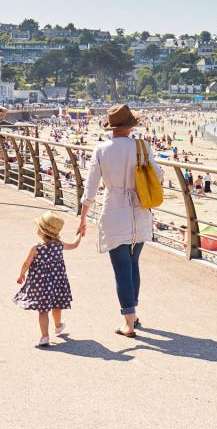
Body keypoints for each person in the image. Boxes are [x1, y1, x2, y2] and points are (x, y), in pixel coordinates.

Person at [78, 104, 164, 338]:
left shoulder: (102, 149)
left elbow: (91, 186)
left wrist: (83, 217)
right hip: (140, 211)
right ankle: (133, 316)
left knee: (122, 268)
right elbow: (159, 175)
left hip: (114, 212)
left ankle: (128, 322)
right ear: (130, 126)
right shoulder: (141, 147)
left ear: (112, 127)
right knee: (133, 263)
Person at [13, 211, 81, 346]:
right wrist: (80, 234)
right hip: (57, 284)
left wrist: (21, 275)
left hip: (41, 286)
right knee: (57, 305)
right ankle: (58, 326)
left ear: (42, 230)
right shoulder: (59, 245)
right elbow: (74, 245)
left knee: (43, 311)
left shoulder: (36, 247)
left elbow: (26, 263)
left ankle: (44, 337)